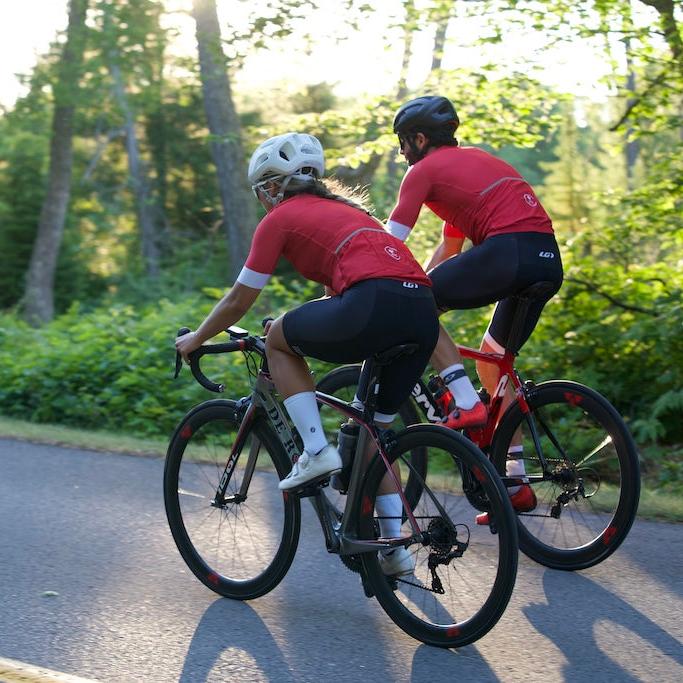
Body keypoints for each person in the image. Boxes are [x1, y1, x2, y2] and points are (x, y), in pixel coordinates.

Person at [176, 132, 439, 574]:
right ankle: (393, 546)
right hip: (422, 312)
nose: (262, 199)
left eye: (262, 190)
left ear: (273, 187)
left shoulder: (280, 218)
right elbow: (347, 296)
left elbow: (240, 300)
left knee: (279, 340)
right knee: (373, 433)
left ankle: (315, 450)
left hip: (373, 303)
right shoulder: (351, 214)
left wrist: (197, 338)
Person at [387, 95, 564, 522]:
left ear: (420, 138)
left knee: (415, 308)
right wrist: (417, 286)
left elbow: (390, 240)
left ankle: (464, 403)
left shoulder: (422, 171)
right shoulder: (474, 164)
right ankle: (515, 481)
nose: (400, 152)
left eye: (402, 142)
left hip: (505, 252)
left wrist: (389, 291)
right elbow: (450, 249)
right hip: (545, 258)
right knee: (495, 364)